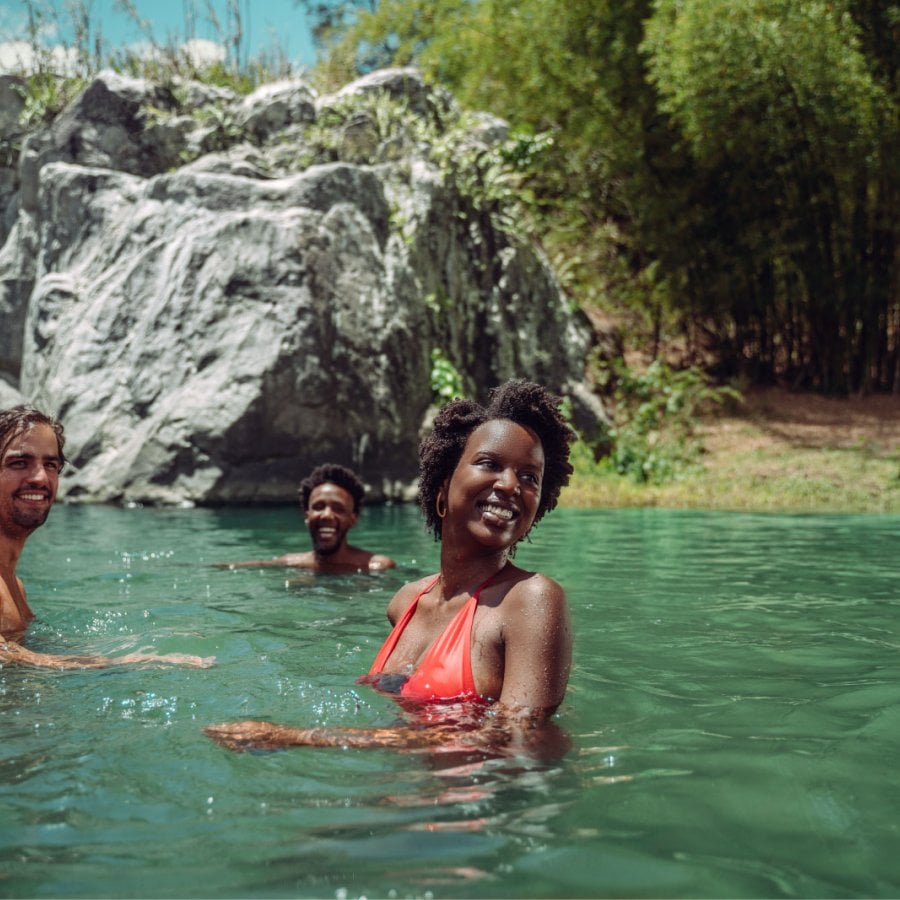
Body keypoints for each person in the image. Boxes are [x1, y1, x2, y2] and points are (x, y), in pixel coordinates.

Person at [205, 380, 575, 753]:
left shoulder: (531, 600)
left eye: (530, 477)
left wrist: (299, 738)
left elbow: (517, 736)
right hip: (402, 788)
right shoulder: (406, 601)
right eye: (489, 464)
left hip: (473, 806)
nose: (511, 484)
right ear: (443, 486)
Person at [0, 405, 212, 669]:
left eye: (51, 465)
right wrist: (129, 662)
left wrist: (149, 642)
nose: (41, 477)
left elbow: (24, 650)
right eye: (19, 462)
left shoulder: (13, 584)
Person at [223, 463, 395, 572]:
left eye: (338, 508)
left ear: (353, 518)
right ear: (307, 515)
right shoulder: (290, 562)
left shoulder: (377, 567)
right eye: (318, 507)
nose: (326, 515)